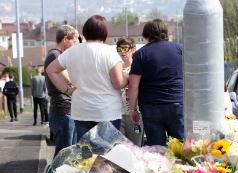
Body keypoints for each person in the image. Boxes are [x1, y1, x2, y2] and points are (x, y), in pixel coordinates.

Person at [46, 15, 128, 141]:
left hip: (82, 109)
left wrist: (67, 90)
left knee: (86, 154)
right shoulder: (110, 52)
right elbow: (118, 83)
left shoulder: (72, 52)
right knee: (107, 154)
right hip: (107, 111)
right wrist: (128, 78)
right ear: (104, 32)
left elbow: (51, 70)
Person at [127, 18, 184, 146]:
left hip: (150, 106)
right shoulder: (180, 49)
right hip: (177, 103)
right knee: (181, 147)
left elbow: (133, 85)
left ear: (147, 35)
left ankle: (160, 167)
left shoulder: (141, 54)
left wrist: (132, 109)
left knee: (156, 150)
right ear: (165, 32)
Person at [44, 24, 80, 173]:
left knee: (68, 154)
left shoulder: (57, 56)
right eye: (75, 40)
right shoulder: (55, 56)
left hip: (66, 111)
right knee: (64, 155)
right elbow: (70, 80)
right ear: (65, 39)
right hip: (63, 112)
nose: (77, 43)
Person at [116, 37, 143, 146]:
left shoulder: (138, 67)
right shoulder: (115, 68)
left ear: (133, 49)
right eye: (119, 49)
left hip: (135, 112)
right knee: (119, 148)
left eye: (125, 48)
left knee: (136, 147)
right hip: (118, 112)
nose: (122, 52)